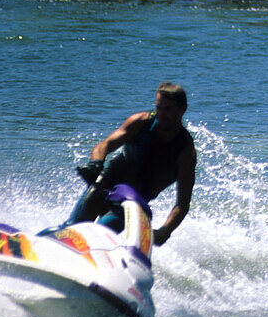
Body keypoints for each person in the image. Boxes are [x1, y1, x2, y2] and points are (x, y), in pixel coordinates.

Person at [65, 82, 196, 246]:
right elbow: (104, 145)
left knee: (98, 236)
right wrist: (95, 164)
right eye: (158, 108)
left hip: (131, 204)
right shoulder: (140, 122)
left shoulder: (185, 152)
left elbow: (182, 205)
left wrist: (165, 230)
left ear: (182, 109)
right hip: (105, 185)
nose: (161, 114)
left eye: (168, 109)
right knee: (72, 230)